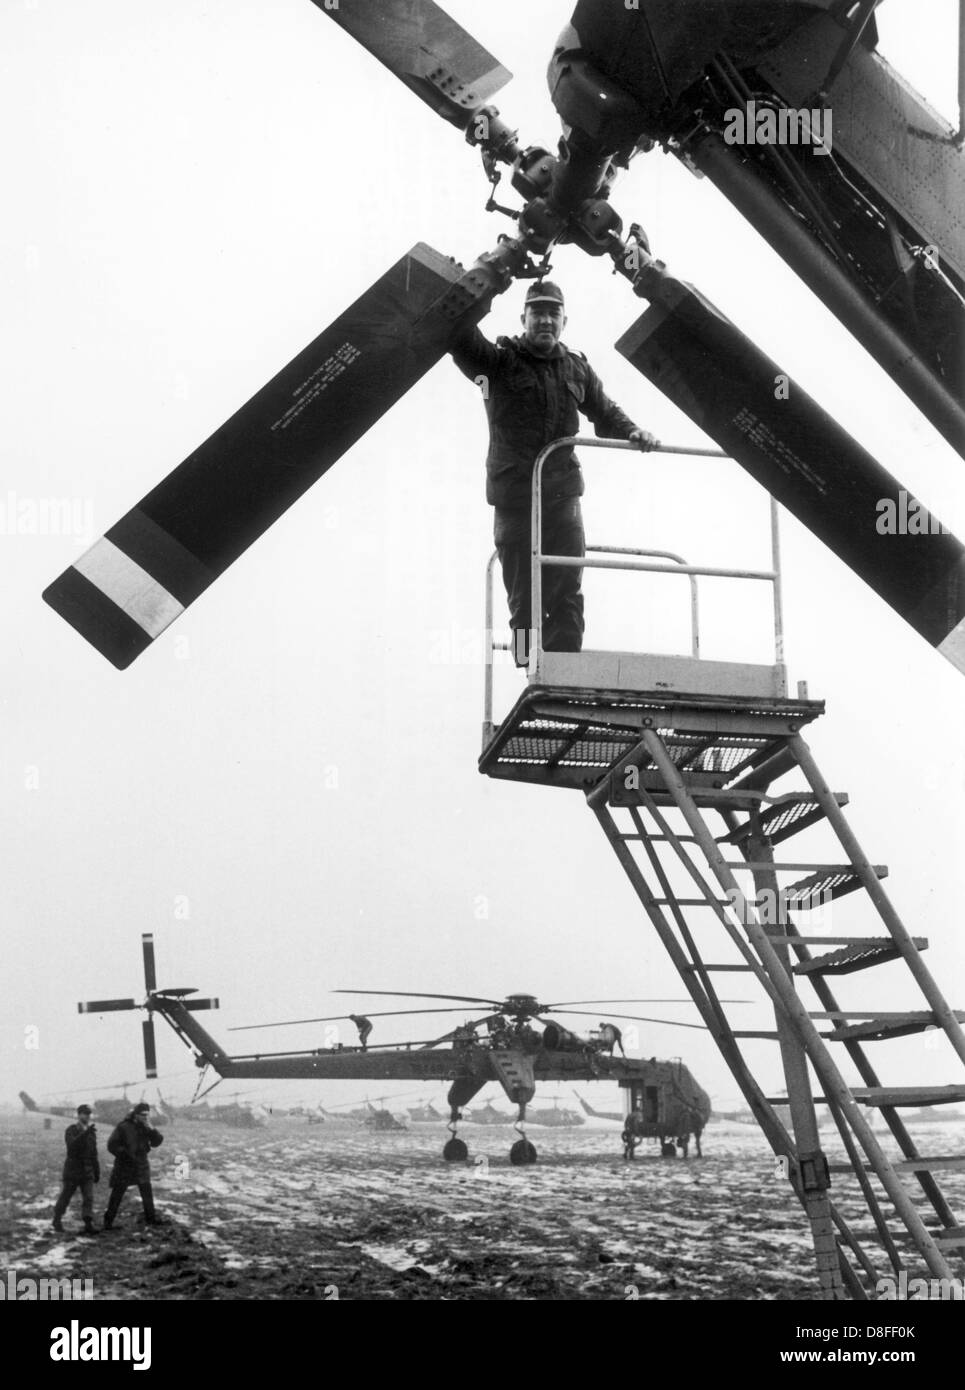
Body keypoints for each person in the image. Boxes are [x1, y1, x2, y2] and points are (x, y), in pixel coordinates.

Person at [451, 281, 657, 665]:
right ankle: (532, 670)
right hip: (514, 497)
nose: (545, 320)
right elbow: (458, 336)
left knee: (567, 585)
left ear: (564, 320)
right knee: (523, 596)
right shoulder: (498, 363)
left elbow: (605, 410)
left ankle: (566, 671)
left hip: (563, 495)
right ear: (523, 318)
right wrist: (487, 285)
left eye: (553, 313)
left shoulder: (576, 367)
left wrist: (633, 430)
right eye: (537, 313)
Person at [103, 1101, 165, 1230]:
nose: (145, 1117)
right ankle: (108, 1222)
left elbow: (157, 1142)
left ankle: (151, 1219)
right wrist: (124, 1154)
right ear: (135, 1115)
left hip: (141, 1164)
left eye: (147, 1114)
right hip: (125, 1165)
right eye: (142, 1114)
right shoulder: (123, 1126)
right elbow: (111, 1145)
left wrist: (151, 1128)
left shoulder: (146, 1126)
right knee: (117, 1193)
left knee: (146, 1192)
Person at [52, 1103, 100, 1236]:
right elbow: (72, 1147)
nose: (87, 1116)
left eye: (89, 1114)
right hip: (73, 1171)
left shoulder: (91, 1133)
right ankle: (57, 1219)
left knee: (88, 1198)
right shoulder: (71, 1130)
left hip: (87, 1171)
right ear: (78, 1115)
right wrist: (85, 1134)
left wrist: (97, 1171)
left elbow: (94, 1153)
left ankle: (88, 1223)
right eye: (84, 1114)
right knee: (66, 1196)